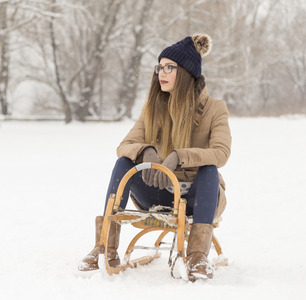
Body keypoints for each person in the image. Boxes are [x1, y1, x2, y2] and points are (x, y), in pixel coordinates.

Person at [78, 33, 232, 281]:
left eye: (169, 67)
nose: (161, 72)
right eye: (159, 66)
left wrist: (179, 157)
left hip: (197, 196)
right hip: (159, 192)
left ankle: (196, 257)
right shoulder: (152, 108)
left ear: (185, 72)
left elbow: (221, 153)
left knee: (210, 169)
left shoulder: (215, 109)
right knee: (124, 162)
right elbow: (124, 146)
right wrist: (145, 151)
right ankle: (104, 246)